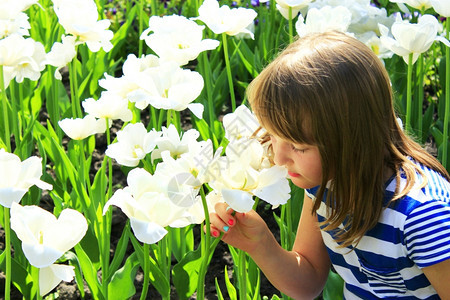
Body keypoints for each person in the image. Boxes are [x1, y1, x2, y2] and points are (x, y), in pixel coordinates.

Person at [208, 31, 450, 299]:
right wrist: (262, 244)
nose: (279, 159)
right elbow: (307, 282)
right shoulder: (326, 184)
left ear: (352, 138)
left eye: (298, 147)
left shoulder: (423, 217)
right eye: (274, 138)